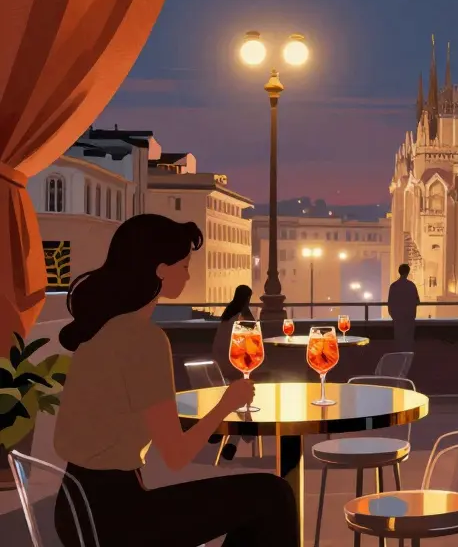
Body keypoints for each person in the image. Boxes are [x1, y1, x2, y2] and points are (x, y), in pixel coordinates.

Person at [53, 214, 298, 546]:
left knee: (255, 500)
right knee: (273, 494)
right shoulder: (143, 339)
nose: (188, 274)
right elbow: (177, 455)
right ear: (160, 270)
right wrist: (227, 403)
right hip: (116, 519)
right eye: (184, 266)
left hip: (76, 509)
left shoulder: (100, 332)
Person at [209, 284, 255, 462]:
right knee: (247, 396)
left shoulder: (228, 313)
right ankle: (241, 434)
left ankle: (221, 430)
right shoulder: (241, 316)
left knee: (242, 400)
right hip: (234, 364)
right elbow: (251, 335)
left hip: (220, 363)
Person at [388, 263, 420, 351]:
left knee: (399, 342)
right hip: (409, 318)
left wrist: (393, 315)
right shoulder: (411, 286)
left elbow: (390, 302)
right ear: (408, 272)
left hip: (398, 319)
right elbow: (417, 301)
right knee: (408, 342)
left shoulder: (394, 286)